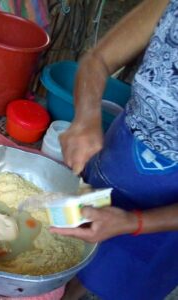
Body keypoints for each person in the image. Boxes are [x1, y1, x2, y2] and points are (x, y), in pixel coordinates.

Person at [49, 0, 178, 299]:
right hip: (120, 151)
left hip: (166, 213)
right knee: (77, 243)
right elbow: (97, 60)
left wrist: (134, 222)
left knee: (123, 277)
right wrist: (85, 117)